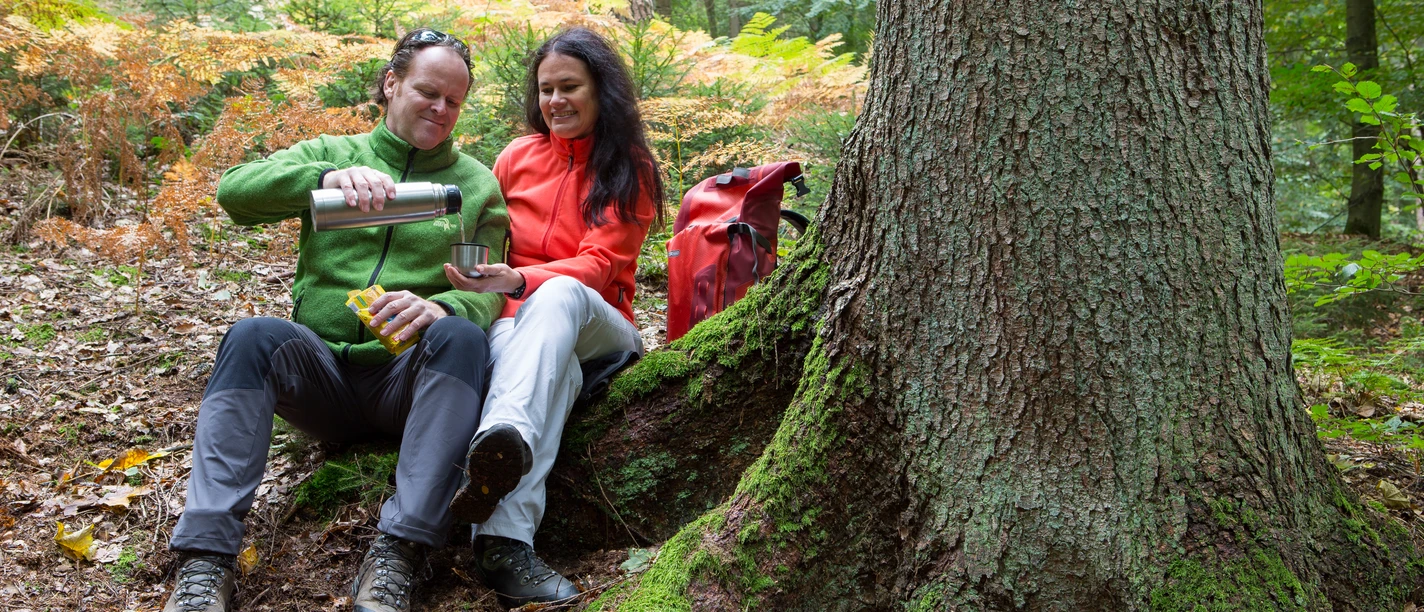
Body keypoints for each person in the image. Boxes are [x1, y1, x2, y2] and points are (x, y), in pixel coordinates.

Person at [163, 29, 509, 612]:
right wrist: (321, 178)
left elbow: (484, 290)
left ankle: (398, 556)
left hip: (408, 380)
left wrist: (442, 306)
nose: (440, 109)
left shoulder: (473, 186)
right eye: (428, 91)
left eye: (454, 100)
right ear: (391, 83)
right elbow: (234, 193)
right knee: (253, 335)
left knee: (460, 333)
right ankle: (204, 564)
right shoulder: (334, 152)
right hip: (319, 376)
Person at [440, 26, 664, 609]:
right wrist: (476, 273)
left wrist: (520, 279)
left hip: (600, 324)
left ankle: (497, 436)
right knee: (551, 371)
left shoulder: (629, 165)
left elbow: (597, 266)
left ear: (601, 91)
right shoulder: (516, 157)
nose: (556, 101)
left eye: (570, 87)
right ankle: (503, 545)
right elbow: (489, 239)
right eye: (546, 90)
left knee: (559, 296)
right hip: (522, 327)